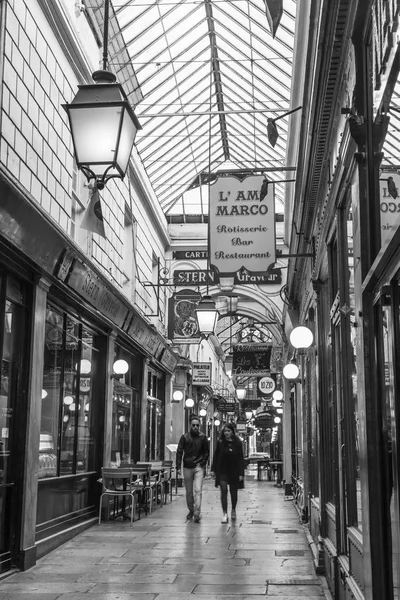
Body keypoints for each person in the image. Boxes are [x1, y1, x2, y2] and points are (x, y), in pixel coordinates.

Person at [176, 414, 209, 523]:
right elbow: (179, 451)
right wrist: (178, 466)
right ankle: (191, 509)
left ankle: (197, 512)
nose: (195, 427)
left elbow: (206, 452)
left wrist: (203, 463)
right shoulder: (184, 437)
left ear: (199, 426)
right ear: (190, 425)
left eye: (197, 425)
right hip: (187, 466)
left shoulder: (203, 437)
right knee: (189, 491)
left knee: (198, 490)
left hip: (198, 466)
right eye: (193, 425)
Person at [211, 422, 245, 523]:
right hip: (222, 470)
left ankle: (233, 509)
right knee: (224, 490)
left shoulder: (237, 442)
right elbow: (216, 456)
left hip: (234, 470)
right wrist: (213, 469)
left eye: (228, 431)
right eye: (225, 431)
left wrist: (241, 473)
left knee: (233, 492)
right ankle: (225, 513)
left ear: (232, 432)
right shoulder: (220, 442)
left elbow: (240, 458)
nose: (226, 433)